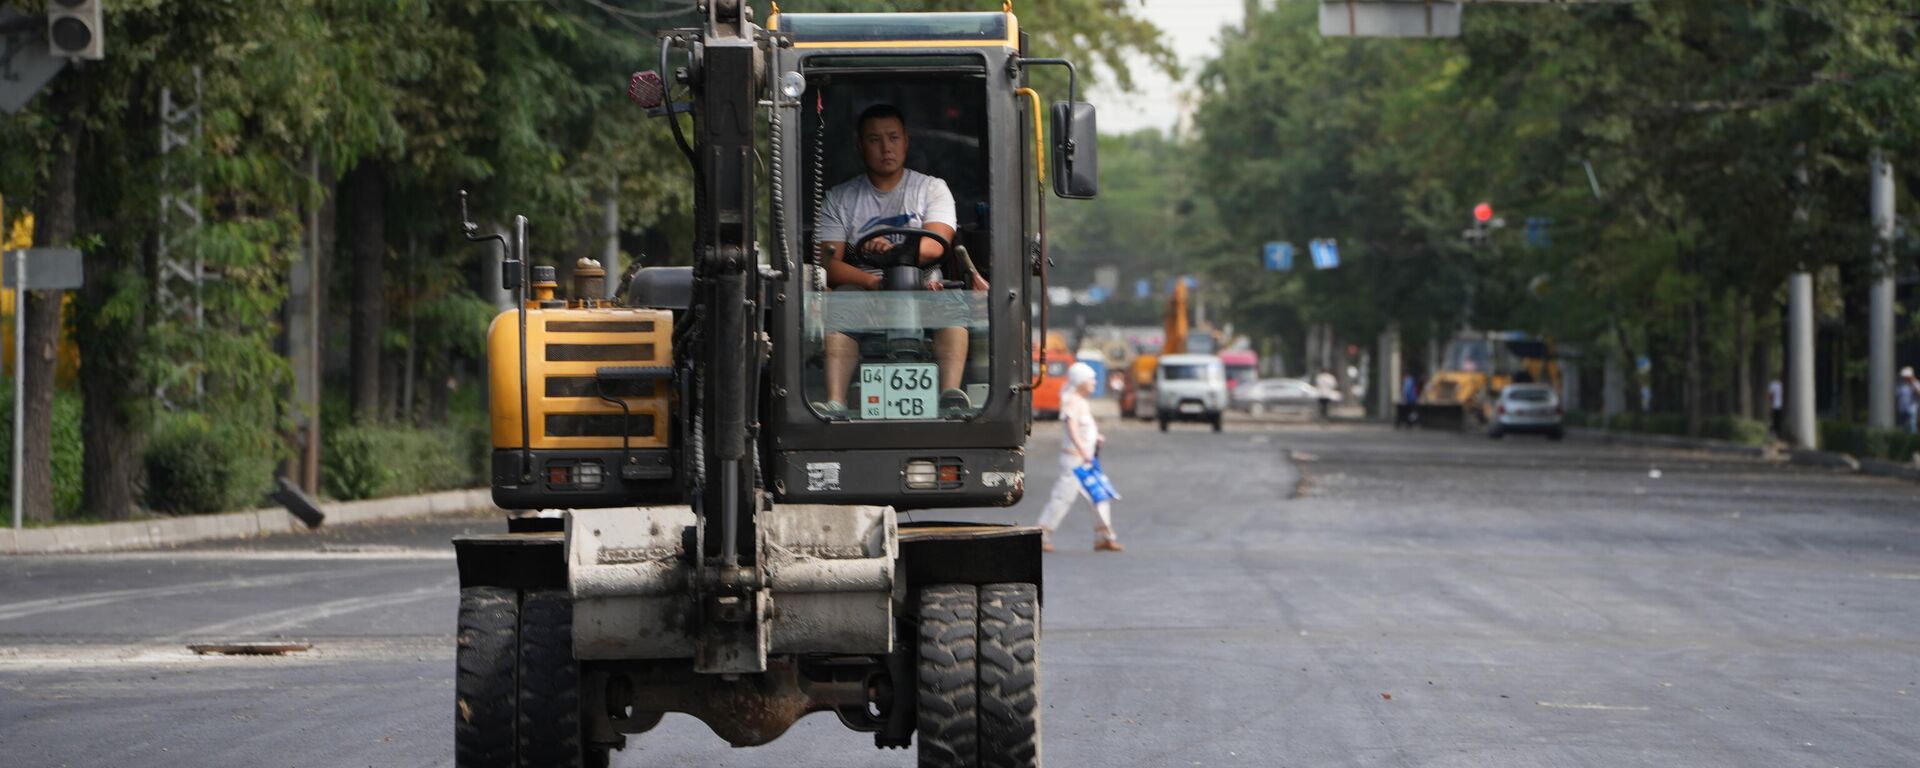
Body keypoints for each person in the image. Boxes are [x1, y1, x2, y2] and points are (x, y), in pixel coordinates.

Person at [813, 103, 986, 419]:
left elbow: (936, 244)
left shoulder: (932, 189)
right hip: (863, 289)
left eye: (893, 137)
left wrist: (890, 254)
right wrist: (873, 282)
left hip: (925, 287)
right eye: (874, 139)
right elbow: (829, 262)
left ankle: (949, 394)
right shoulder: (838, 198)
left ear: (906, 141)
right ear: (860, 146)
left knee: (952, 303)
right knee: (839, 305)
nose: (886, 148)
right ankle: (835, 401)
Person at [1037, 362, 1123, 553]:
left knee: (1099, 496)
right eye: (1091, 379)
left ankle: (1105, 537)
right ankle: (1042, 535)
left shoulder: (1081, 401)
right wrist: (1084, 451)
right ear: (1080, 381)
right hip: (1075, 460)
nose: (1095, 382)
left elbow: (1084, 429)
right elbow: (1072, 428)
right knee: (1062, 497)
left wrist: (1095, 439)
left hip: (1086, 459)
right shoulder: (1072, 401)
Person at [1899, 367, 1919, 435]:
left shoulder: (1916, 383)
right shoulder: (1902, 384)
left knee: (1912, 428)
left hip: (1911, 410)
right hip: (1903, 409)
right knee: (1904, 429)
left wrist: (1912, 383)